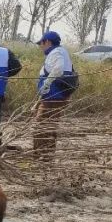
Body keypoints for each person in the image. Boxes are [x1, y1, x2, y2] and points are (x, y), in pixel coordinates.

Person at [33, 30, 77, 161]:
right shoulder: (61, 51)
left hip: (53, 97)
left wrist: (47, 83)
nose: (40, 46)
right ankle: (45, 154)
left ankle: (42, 155)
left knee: (41, 126)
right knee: (49, 125)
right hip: (54, 96)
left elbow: (58, 68)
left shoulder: (56, 52)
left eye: (41, 43)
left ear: (47, 42)